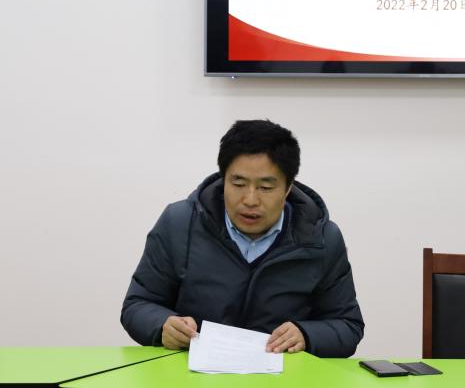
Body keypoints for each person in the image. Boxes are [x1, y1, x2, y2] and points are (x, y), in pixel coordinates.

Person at [120, 119, 364, 358]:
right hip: (191, 374)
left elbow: (347, 325)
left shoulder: (321, 239)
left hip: (282, 376)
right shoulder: (179, 224)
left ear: (288, 188)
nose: (250, 200)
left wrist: (307, 335)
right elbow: (137, 304)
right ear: (223, 178)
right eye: (238, 183)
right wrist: (163, 325)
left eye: (265, 188)